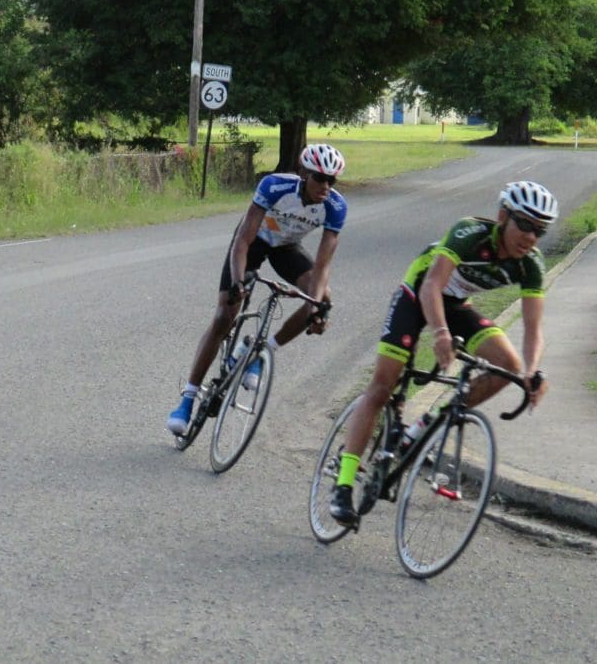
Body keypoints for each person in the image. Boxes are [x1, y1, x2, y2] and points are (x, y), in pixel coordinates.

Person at [329, 180, 558, 524]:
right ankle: (344, 484)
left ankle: (430, 421)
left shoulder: (531, 264)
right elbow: (433, 284)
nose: (530, 237)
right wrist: (439, 333)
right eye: (524, 224)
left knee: (507, 365)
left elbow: (533, 328)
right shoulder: (470, 232)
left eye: (539, 230)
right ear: (503, 216)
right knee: (383, 384)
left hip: (456, 304)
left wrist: (531, 371)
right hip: (418, 293)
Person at [167, 143, 347, 435]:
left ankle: (259, 355)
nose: (326, 186)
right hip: (254, 242)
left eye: (332, 180)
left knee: (322, 296)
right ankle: (188, 398)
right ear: (303, 173)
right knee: (225, 315)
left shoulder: (336, 206)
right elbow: (242, 240)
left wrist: (315, 307)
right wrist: (238, 282)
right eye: (320, 178)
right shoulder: (275, 186)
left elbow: (323, 267)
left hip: (286, 248)